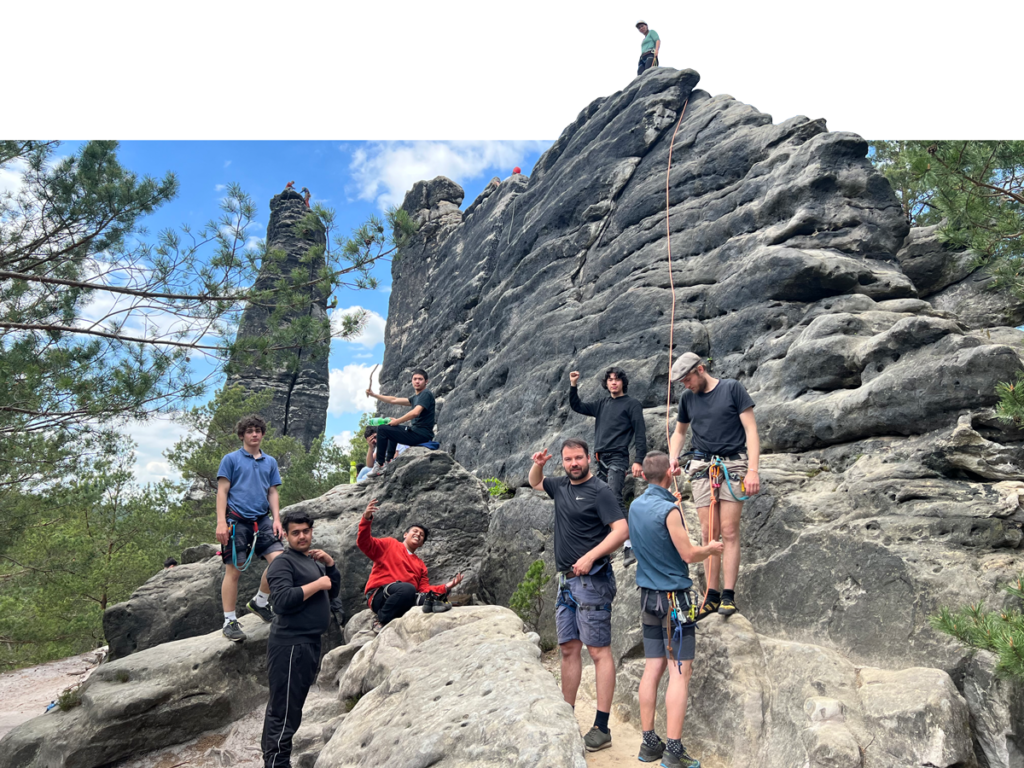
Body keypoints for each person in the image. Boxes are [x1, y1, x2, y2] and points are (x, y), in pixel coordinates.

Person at [529, 439, 628, 753]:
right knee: (569, 649)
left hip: (593, 581)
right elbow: (534, 482)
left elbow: (622, 529)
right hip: (566, 584)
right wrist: (539, 464)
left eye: (578, 458)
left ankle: (601, 726)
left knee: (599, 652)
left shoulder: (600, 491)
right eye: (568, 459)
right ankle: (566, 714)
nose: (573, 463)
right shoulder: (560, 486)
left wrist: (590, 557)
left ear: (588, 458)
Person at [630, 452, 723, 767]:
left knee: (652, 667)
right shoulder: (670, 511)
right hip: (675, 602)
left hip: (648, 598)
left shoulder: (635, 506)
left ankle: (649, 744)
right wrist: (709, 549)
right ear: (668, 476)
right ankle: (673, 750)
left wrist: (673, 503)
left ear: (643, 476)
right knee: (679, 673)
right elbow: (687, 554)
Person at [668, 353, 761, 620]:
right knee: (710, 532)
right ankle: (711, 594)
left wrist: (752, 471)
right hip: (701, 466)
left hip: (732, 464)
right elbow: (681, 431)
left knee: (729, 531)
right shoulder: (688, 399)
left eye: (687, 379)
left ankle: (728, 595)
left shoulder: (732, 388)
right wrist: (674, 456)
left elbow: (751, 431)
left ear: (700, 369)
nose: (686, 385)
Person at [261, 509, 340, 768]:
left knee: (292, 707)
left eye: (306, 531)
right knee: (284, 709)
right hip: (290, 645)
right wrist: (317, 584)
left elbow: (333, 589)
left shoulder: (313, 562)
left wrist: (329, 565)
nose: (302, 536)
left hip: (309, 643)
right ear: (285, 534)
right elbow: (281, 601)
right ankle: (276, 763)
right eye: (295, 532)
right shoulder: (282, 562)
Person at [216, 415, 285, 642]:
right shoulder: (231, 459)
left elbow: (272, 491)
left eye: (258, 430)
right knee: (234, 571)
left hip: (262, 519)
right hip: (236, 521)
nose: (254, 434)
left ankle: (260, 602)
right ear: (242, 435)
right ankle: (229, 621)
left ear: (263, 434)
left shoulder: (270, 462)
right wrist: (220, 522)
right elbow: (222, 491)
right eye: (249, 431)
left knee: (281, 561)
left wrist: (277, 519)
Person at [569, 366, 647, 565]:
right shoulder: (601, 404)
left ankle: (630, 545)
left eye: (617, 379)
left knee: (613, 496)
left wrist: (638, 460)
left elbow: (640, 434)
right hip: (599, 459)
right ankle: (605, 547)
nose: (613, 382)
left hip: (618, 458)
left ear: (623, 383)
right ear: (606, 384)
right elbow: (577, 406)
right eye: (610, 379)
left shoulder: (632, 404)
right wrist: (573, 385)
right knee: (599, 501)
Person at [357, 498, 463, 627]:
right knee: (407, 589)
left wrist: (447, 586)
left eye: (422, 535)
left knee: (433, 599)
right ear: (405, 534)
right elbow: (364, 543)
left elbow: (424, 589)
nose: (418, 534)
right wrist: (366, 519)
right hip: (380, 595)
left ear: (422, 543)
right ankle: (381, 620)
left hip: (405, 598)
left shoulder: (420, 565)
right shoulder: (390, 544)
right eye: (415, 531)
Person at [364, 368, 436, 477]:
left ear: (426, 381)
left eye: (420, 379)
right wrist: (374, 395)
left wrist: (397, 421)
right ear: (411, 381)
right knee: (391, 430)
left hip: (421, 434)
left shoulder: (426, 394)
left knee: (382, 429)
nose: (417, 381)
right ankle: (388, 462)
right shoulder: (416, 397)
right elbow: (394, 400)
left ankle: (380, 465)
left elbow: (415, 413)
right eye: (415, 379)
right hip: (417, 432)